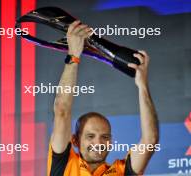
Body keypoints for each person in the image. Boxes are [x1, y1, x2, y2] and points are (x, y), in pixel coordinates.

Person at [47, 20, 159, 176]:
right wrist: (73, 56)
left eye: (105, 137)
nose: (98, 143)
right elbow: (62, 111)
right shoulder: (64, 164)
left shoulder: (122, 171)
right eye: (90, 136)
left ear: (111, 142)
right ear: (75, 141)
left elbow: (150, 140)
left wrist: (142, 86)